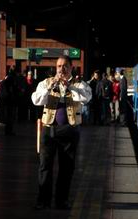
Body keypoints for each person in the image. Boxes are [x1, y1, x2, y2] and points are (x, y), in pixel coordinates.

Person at [31, 55, 92, 210]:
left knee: (66, 168)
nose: (61, 69)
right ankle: (43, 200)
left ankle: (61, 200)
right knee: (45, 166)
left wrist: (69, 87)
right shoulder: (46, 83)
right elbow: (36, 100)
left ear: (71, 67)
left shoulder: (79, 84)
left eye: (65, 66)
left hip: (69, 130)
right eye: (59, 66)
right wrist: (50, 87)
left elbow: (87, 97)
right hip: (49, 128)